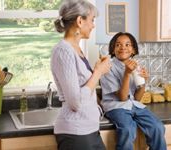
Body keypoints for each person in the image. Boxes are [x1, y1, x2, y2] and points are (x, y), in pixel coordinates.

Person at [51, 0, 111, 149]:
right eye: (91, 20)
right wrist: (97, 73)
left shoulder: (75, 49)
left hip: (89, 130)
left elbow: (85, 87)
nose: (93, 25)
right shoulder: (63, 51)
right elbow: (75, 102)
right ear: (79, 21)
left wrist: (98, 70)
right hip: (76, 134)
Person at [100, 32, 167, 150]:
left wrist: (143, 83)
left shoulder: (136, 66)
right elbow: (122, 98)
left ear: (134, 50)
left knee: (158, 127)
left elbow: (137, 98)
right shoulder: (107, 67)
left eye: (127, 45)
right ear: (112, 49)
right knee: (127, 129)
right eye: (118, 45)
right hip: (116, 107)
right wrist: (127, 73)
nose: (123, 48)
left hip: (134, 105)